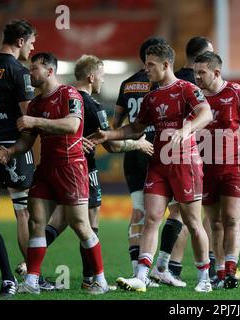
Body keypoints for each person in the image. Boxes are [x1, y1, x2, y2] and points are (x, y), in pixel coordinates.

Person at [91, 44, 214, 292]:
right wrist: (110, 134)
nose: (146, 69)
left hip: (184, 163)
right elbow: (135, 129)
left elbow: (206, 113)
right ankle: (142, 275)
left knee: (192, 221)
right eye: (145, 64)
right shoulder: (152, 96)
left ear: (166, 65)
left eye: (151, 65)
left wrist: (186, 128)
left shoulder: (186, 89)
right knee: (152, 218)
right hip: (158, 164)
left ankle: (204, 278)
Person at [0, 52, 109, 294]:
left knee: (80, 224)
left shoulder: (69, 94)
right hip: (46, 169)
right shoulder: (35, 103)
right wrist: (10, 151)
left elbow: (72, 125)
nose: (30, 73)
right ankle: (32, 281)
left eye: (34, 68)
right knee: (36, 222)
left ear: (49, 71)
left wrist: (36, 122)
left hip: (71, 167)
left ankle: (100, 279)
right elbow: (26, 141)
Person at [43, 54, 153, 290]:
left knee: (62, 218)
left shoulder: (63, 98)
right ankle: (91, 279)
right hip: (82, 168)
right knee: (90, 223)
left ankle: (31, 263)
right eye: (102, 75)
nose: (103, 80)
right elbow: (112, 146)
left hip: (55, 165)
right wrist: (138, 143)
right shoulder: (92, 105)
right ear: (92, 77)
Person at [193, 51, 240, 289]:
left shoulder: (237, 93)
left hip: (235, 167)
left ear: (216, 72)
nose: (197, 77)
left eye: (201, 72)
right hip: (205, 169)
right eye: (195, 72)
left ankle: (231, 272)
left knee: (232, 219)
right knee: (214, 223)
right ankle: (220, 271)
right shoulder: (194, 97)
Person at [152, 36, 215, 286]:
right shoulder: (197, 83)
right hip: (194, 154)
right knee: (193, 216)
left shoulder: (170, 80)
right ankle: (201, 270)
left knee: (178, 213)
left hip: (169, 154)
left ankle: (166, 266)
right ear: (201, 56)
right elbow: (207, 116)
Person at [112, 37, 168, 280]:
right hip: (154, 150)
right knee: (171, 211)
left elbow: (116, 123)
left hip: (132, 150)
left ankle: (138, 270)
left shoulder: (126, 84)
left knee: (138, 211)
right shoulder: (158, 83)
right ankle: (165, 266)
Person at [0, 19, 36, 297]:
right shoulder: (18, 71)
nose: (32, 47)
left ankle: (8, 278)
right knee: (23, 212)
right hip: (13, 148)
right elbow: (28, 117)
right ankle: (30, 277)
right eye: (31, 43)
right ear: (20, 42)